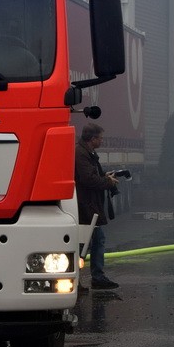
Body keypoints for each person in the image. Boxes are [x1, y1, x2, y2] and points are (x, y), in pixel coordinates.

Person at [75, 122, 120, 290]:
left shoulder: (86, 152)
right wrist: (106, 182)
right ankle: (88, 278)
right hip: (85, 206)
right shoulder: (81, 154)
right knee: (83, 244)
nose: (102, 141)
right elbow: (87, 179)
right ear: (92, 138)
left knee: (94, 240)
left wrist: (104, 176)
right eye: (100, 138)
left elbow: (90, 175)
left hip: (90, 205)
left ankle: (94, 277)